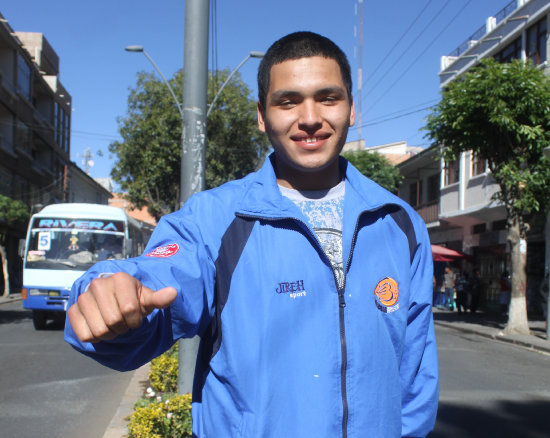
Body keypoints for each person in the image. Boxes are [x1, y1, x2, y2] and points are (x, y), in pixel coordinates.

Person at [64, 32, 438, 438]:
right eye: (288, 101)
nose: (310, 117)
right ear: (262, 115)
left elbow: (415, 376)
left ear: (351, 109)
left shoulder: (400, 222)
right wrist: (110, 297)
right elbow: (162, 278)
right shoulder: (215, 219)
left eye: (328, 98)